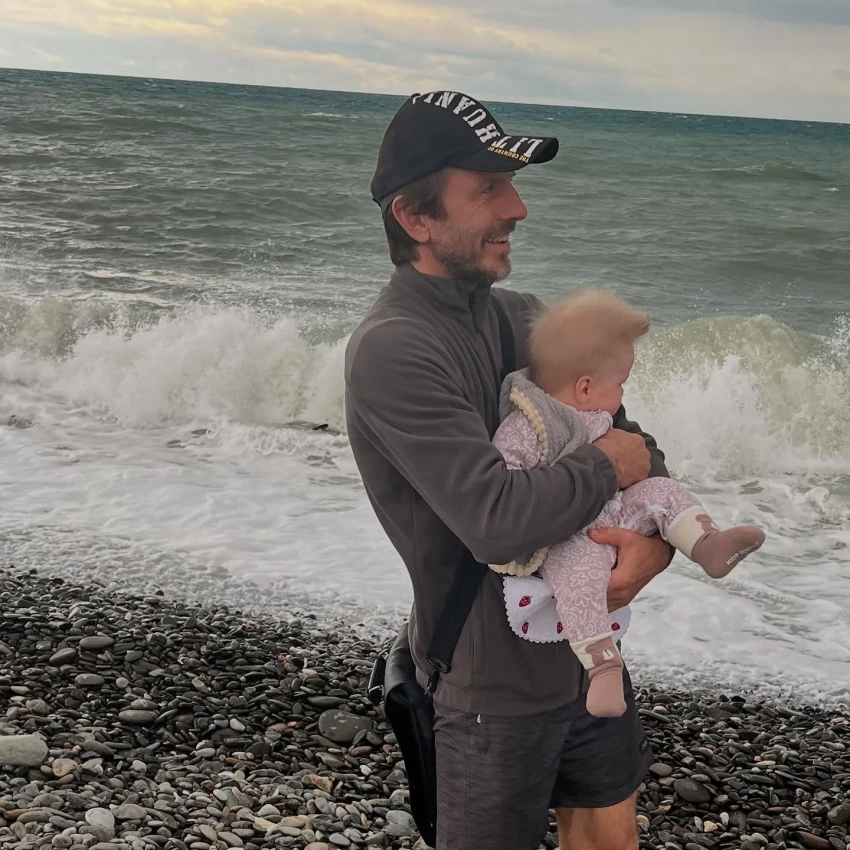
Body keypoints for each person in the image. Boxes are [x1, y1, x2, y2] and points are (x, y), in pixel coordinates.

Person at [344, 90, 672, 850]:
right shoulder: (394, 348)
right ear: (415, 217)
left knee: (612, 840)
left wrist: (654, 544)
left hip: (586, 654)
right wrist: (606, 464)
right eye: (489, 189)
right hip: (485, 687)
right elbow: (497, 521)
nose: (518, 208)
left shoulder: (522, 317)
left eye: (513, 186)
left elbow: (635, 446)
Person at [490, 288, 765, 718]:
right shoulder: (527, 426)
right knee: (579, 577)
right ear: (585, 387)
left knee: (661, 493)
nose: (622, 394)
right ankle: (603, 667)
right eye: (620, 384)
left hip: (614, 510)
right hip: (566, 534)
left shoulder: (598, 413)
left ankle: (706, 543)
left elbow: (640, 451)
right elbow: (507, 485)